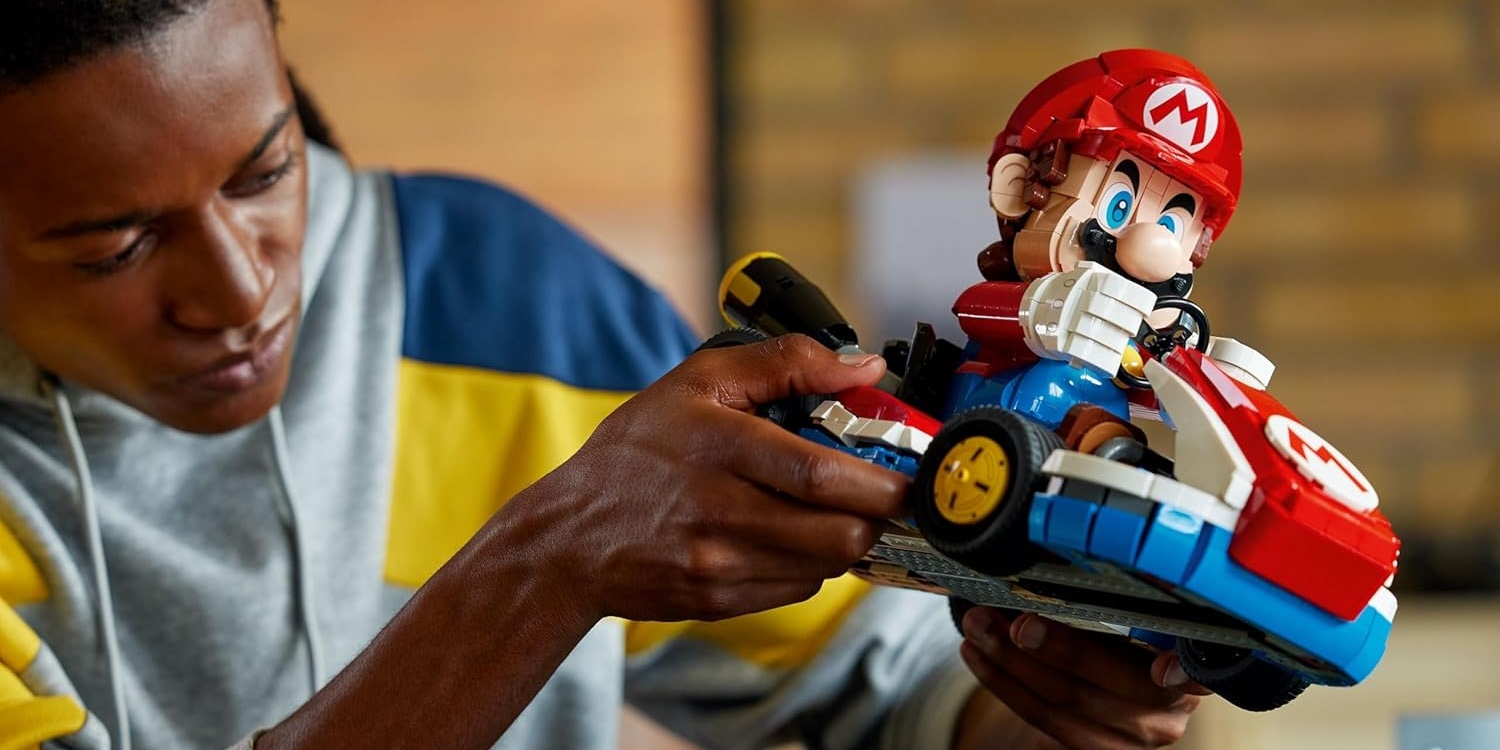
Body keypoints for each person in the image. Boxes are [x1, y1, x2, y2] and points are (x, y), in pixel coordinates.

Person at [0, 2, 1208, 748]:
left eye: (267, 172)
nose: (238, 290)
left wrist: (1078, 696)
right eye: (116, 247)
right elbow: (560, 554)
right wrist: (542, 566)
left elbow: (903, 696)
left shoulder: (506, 305)